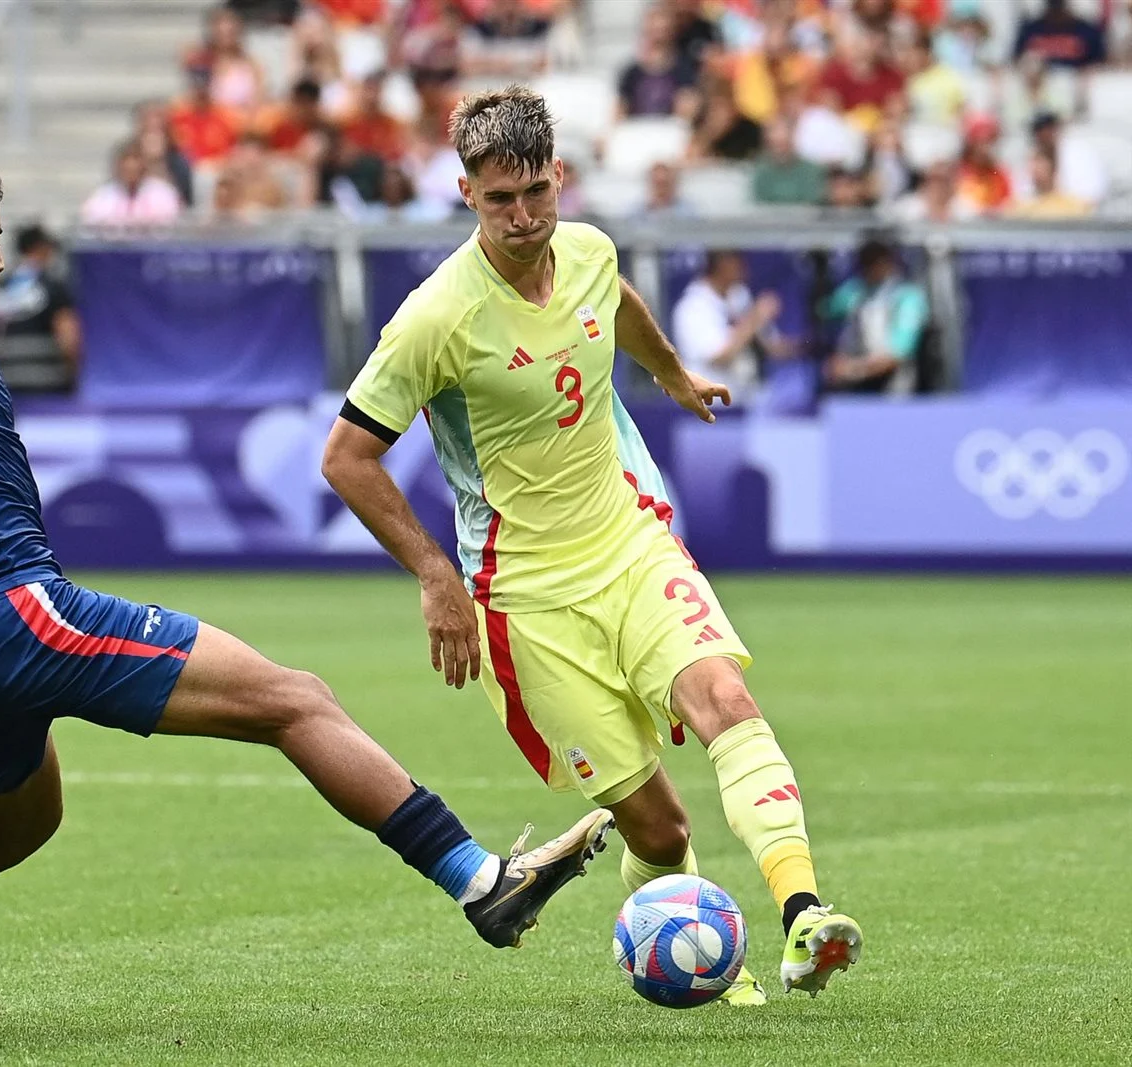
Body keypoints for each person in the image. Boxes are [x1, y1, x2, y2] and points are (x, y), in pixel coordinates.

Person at [0, 149, 608, 1030]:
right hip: (17, 612)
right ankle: (480, 879)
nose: (0, 256)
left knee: (17, 827)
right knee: (296, 699)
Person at [320, 87, 864, 1008]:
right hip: (525, 599)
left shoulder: (588, 250)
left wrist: (673, 374)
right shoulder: (435, 317)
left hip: (631, 542)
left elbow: (613, 300)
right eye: (499, 200)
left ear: (559, 177)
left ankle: (803, 916)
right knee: (660, 829)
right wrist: (435, 575)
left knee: (727, 698)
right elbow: (346, 456)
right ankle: (683, 935)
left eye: (536, 191)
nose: (523, 217)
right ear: (466, 193)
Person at [671, 250, 788, 400]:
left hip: (746, 399)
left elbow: (772, 347)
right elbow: (720, 357)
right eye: (736, 259)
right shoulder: (692, 306)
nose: (743, 265)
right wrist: (755, 318)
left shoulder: (739, 295)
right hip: (710, 404)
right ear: (721, 263)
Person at [821, 236, 929, 395]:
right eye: (866, 261)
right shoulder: (853, 290)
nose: (871, 267)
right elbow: (825, 312)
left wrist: (853, 369)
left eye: (877, 260)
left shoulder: (908, 296)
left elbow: (899, 353)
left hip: (892, 384)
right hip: (852, 382)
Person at [0, 225, 82, 394]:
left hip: (7, 383)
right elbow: (68, 338)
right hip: (47, 383)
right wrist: (74, 376)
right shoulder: (53, 287)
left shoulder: (0, 287)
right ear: (41, 248)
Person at [79, 140, 184, 226]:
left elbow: (171, 226)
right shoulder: (103, 196)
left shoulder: (163, 193)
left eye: (136, 162)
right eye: (126, 165)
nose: (131, 167)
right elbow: (89, 223)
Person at [752, 116, 827, 205]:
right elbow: (758, 202)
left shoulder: (812, 170)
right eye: (774, 144)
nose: (779, 150)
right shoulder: (759, 171)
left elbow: (812, 202)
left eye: (783, 144)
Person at [1013, 0, 1107, 70]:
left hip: (1078, 83)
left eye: (1059, 6)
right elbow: (1016, 60)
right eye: (1054, 6)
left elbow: (1100, 63)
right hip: (1039, 83)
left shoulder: (1087, 31)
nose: (1057, 11)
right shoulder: (1031, 30)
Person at [1006, 149, 1092, 218]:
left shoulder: (1073, 205)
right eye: (1034, 169)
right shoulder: (1021, 206)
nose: (1036, 173)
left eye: (1041, 168)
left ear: (1053, 169)